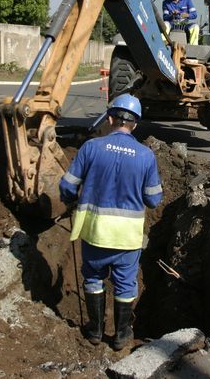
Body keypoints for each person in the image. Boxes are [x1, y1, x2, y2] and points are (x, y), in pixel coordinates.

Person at [59, 93, 163, 350]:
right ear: (135, 124)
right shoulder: (146, 155)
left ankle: (94, 331)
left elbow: (67, 185)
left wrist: (71, 199)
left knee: (93, 278)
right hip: (127, 237)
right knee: (126, 283)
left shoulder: (91, 148)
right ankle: (121, 335)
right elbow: (153, 199)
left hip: (95, 232)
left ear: (110, 118)